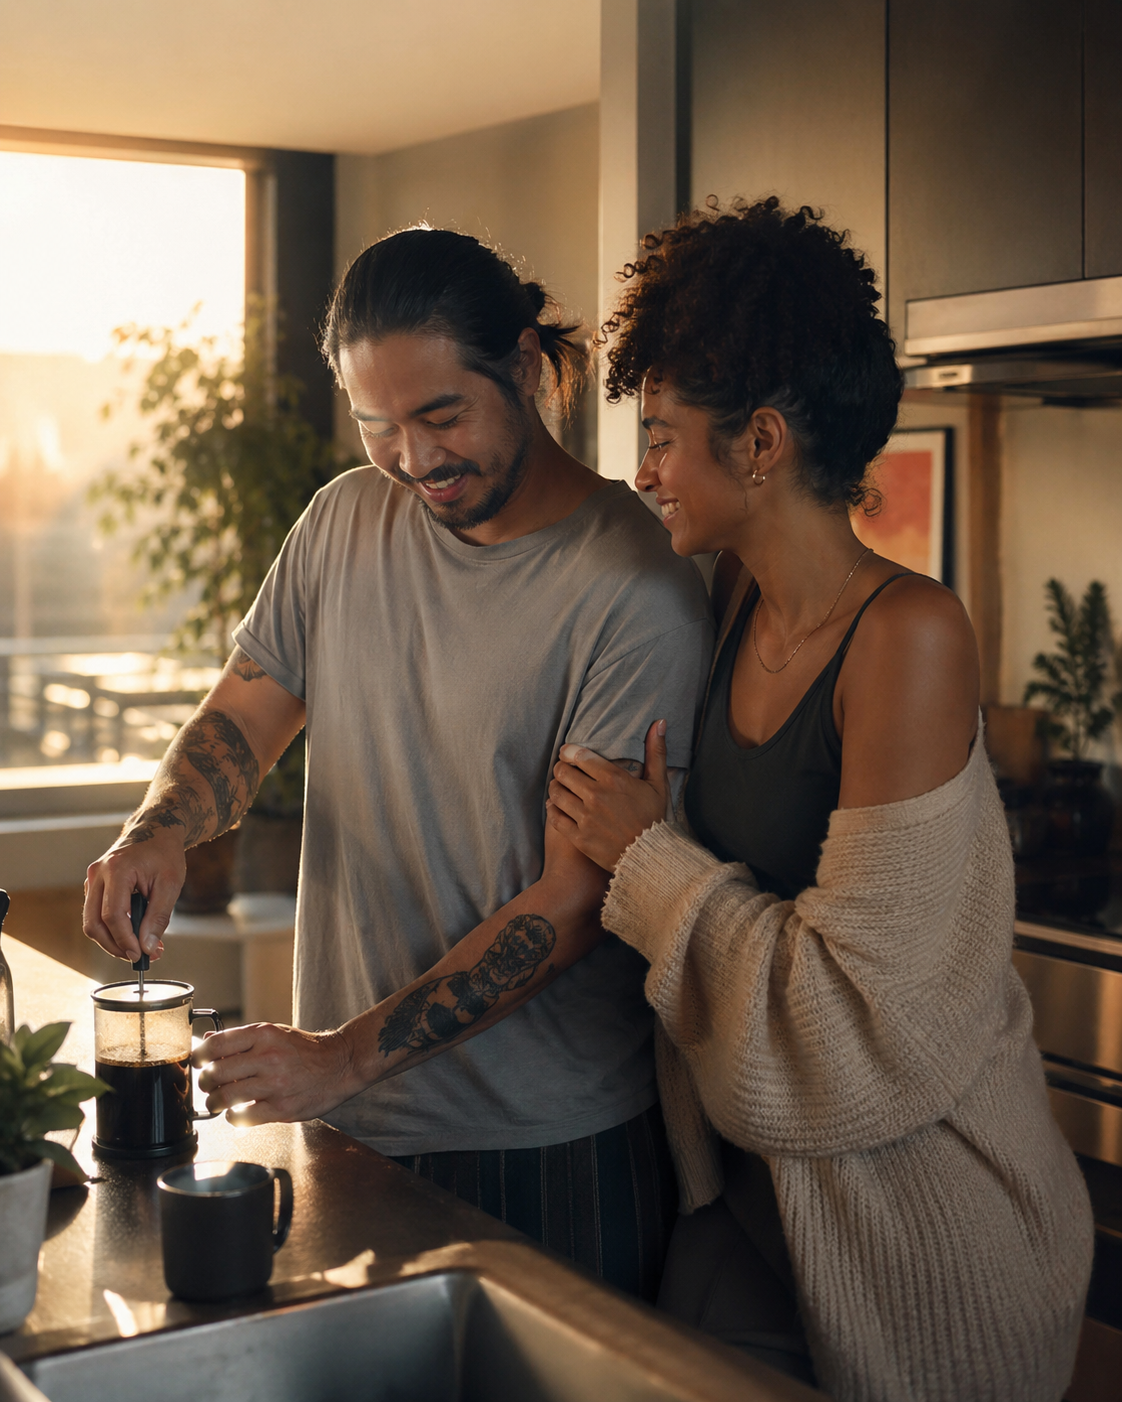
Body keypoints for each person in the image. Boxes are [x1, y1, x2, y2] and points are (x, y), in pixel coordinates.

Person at [83, 228, 714, 1300]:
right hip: (349, 1129)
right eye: (378, 426)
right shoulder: (343, 519)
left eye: (440, 415)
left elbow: (573, 901)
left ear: (523, 366)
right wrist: (162, 828)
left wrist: (339, 1056)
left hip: (543, 1149)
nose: (414, 459)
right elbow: (246, 712)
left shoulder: (634, 590)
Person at [546, 198, 1093, 1398]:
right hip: (751, 1218)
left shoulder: (909, 637)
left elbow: (854, 1036)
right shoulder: (723, 600)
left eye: (666, 436)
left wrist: (647, 863)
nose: (643, 472)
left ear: (762, 443)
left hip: (928, 1251)